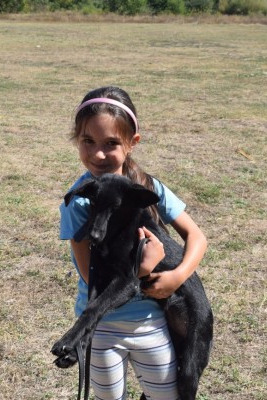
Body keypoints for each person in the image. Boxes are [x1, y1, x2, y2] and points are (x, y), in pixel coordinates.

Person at [59, 86, 207, 400]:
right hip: (103, 327)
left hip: (153, 322)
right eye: (88, 141)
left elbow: (197, 237)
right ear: (77, 141)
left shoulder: (149, 187)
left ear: (131, 143)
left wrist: (175, 277)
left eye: (111, 143)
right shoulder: (80, 202)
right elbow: (92, 277)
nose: (99, 154)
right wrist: (144, 269)